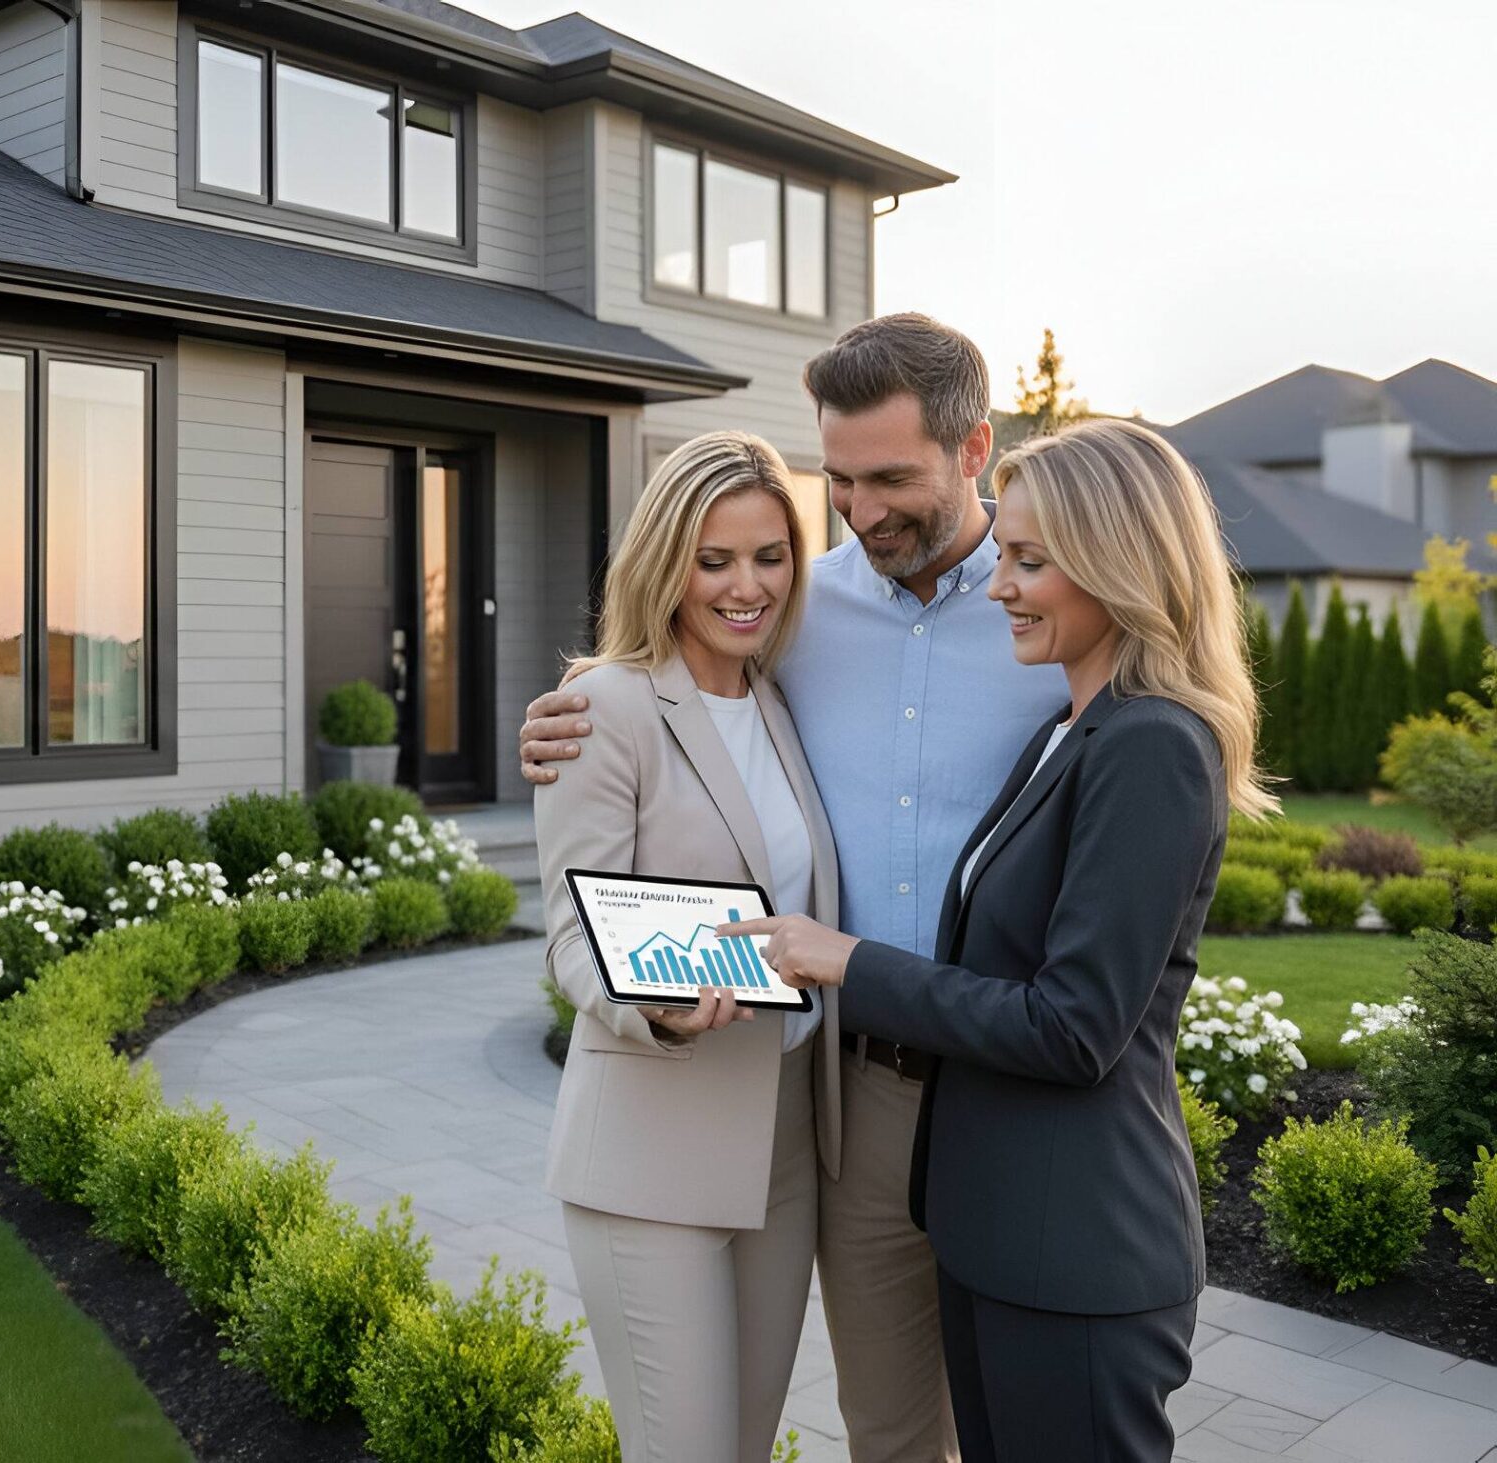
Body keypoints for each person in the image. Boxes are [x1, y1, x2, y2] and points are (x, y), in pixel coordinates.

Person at [523, 313, 1063, 1463]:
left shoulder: (1039, 613)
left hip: (983, 1092)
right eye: (840, 481)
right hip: (795, 1107)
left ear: (974, 450)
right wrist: (649, 997)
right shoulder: (781, 627)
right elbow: (581, 907)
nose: (860, 511)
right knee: (861, 1433)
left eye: (890, 479)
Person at [730, 418, 1272, 1461]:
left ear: (1118, 563)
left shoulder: (1154, 743)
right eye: (1006, 557)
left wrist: (850, 962)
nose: (1000, 587)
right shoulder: (1067, 728)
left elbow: (1074, 1028)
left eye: (1029, 561)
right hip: (1001, 1234)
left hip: (1077, 1252)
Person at [534, 429, 842, 1463]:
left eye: (769, 556)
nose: (746, 586)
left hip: (783, 1147)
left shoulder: (779, 700)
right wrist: (653, 1007)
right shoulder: (604, 706)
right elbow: (572, 935)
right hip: (650, 1151)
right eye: (715, 560)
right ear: (666, 561)